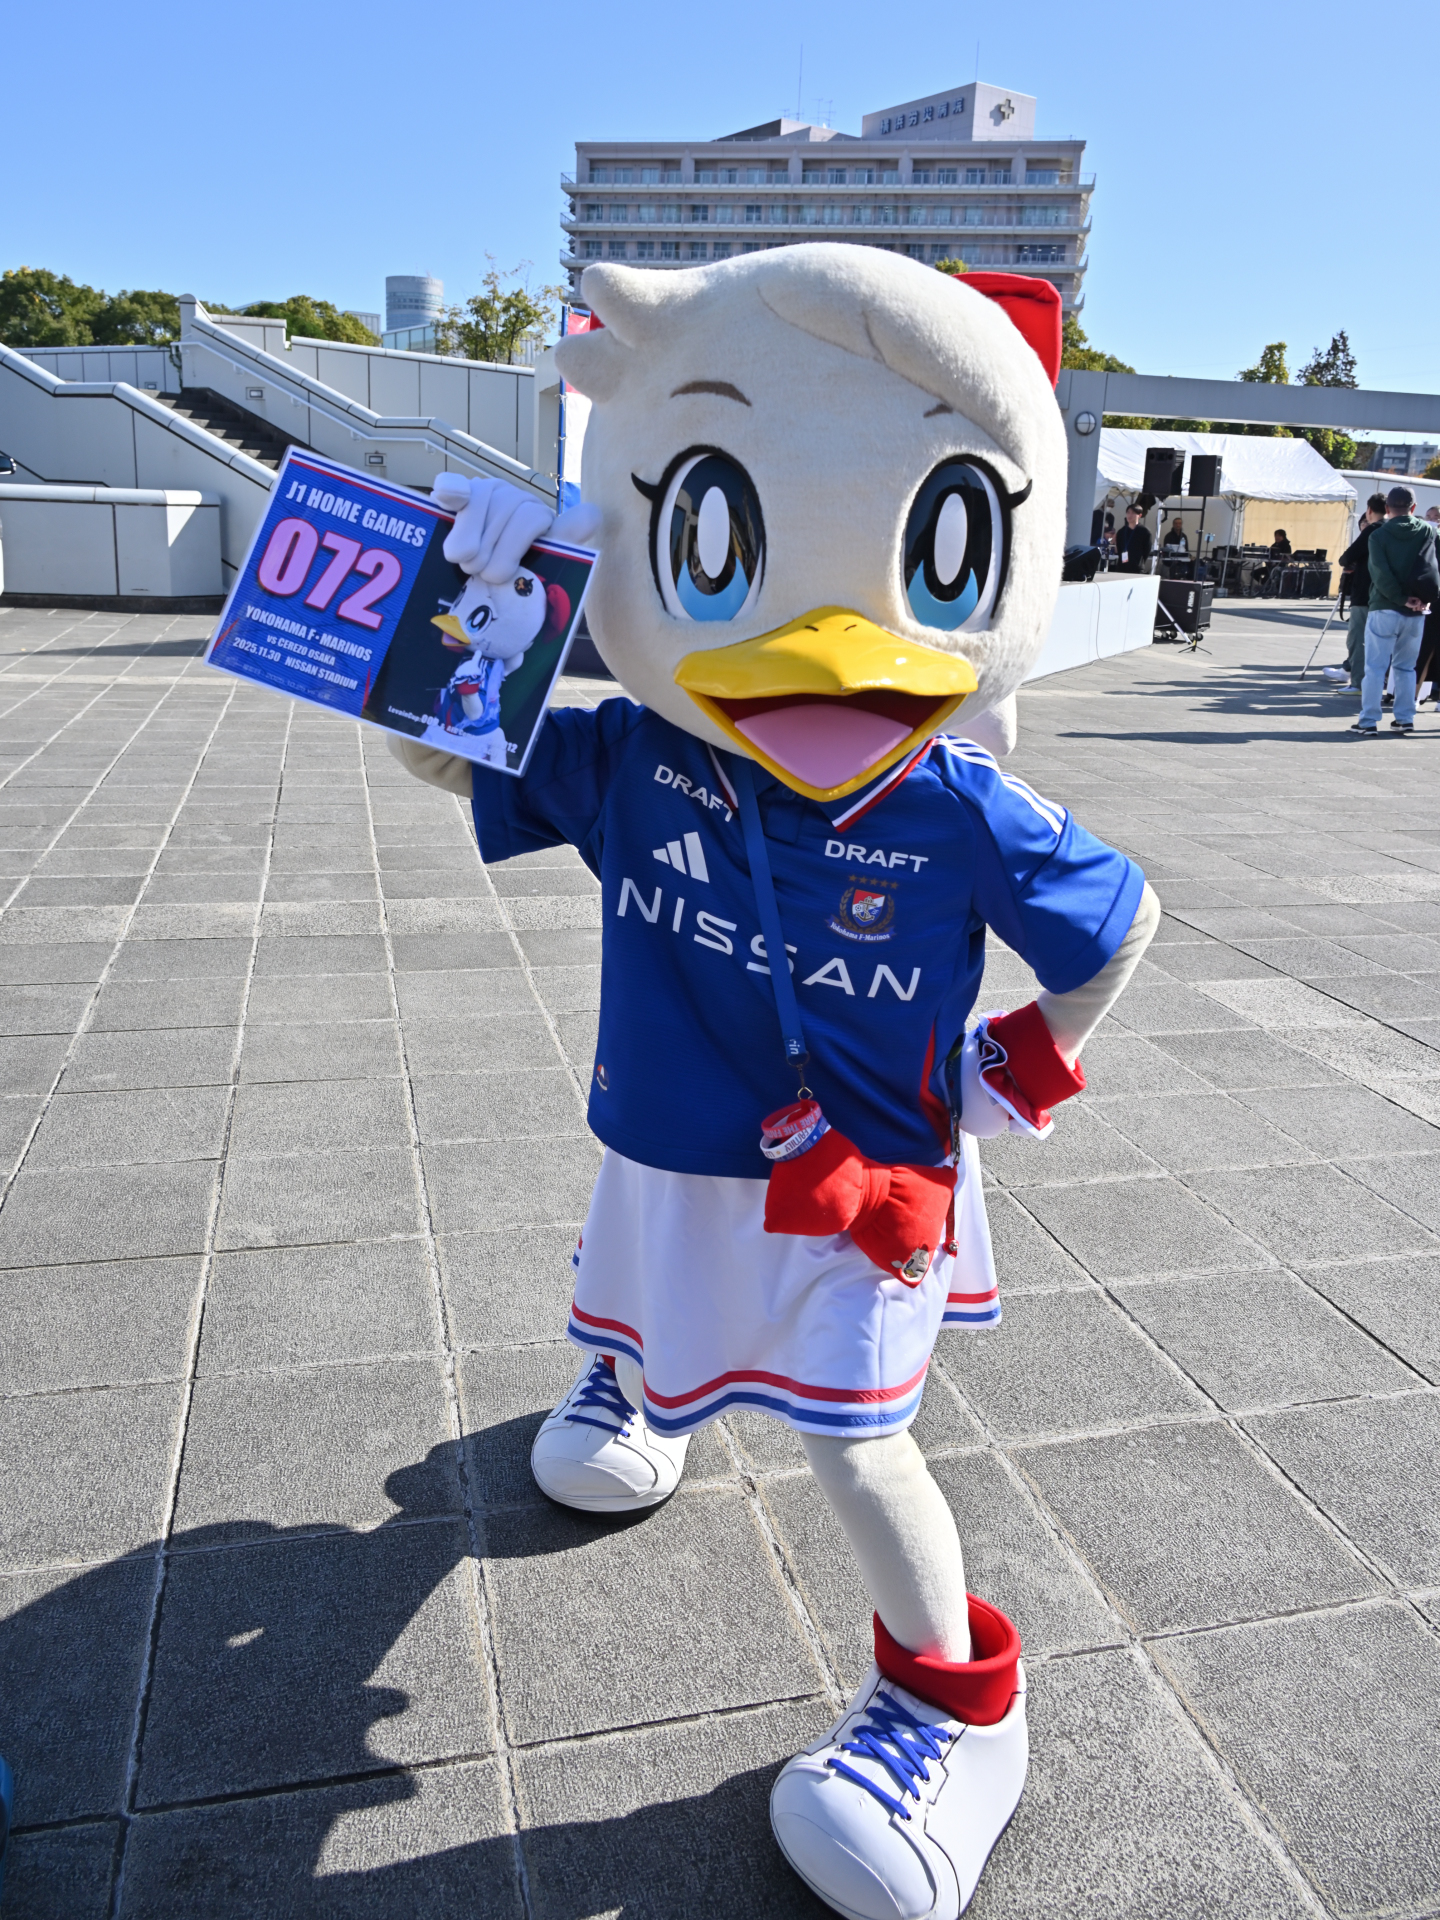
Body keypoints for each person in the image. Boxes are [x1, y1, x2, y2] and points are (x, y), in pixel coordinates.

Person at [1353, 484, 1440, 735]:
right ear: (1413, 507)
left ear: (1387, 507)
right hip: (1418, 608)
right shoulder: (1427, 530)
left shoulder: (1378, 535)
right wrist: (1420, 598)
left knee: (1375, 667)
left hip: (1384, 606)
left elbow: (1380, 575)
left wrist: (1401, 599)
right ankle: (1404, 718)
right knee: (1406, 667)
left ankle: (1368, 720)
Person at [1333, 494, 1388, 692]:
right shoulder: (1394, 529)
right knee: (1384, 642)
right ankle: (1383, 682)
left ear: (1369, 510)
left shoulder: (1373, 529)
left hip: (1365, 592)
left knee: (1358, 640)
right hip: (1390, 595)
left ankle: (1358, 682)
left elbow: (1346, 557)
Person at [1415, 504, 1440, 702]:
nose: (1432, 520)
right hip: (1433, 601)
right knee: (1424, 652)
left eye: (1436, 517)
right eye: (1429, 516)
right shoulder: (1425, 539)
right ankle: (1414, 696)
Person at [1115, 503, 1152, 572]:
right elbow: (1119, 547)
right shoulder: (1121, 531)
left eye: (1133, 513)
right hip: (1122, 566)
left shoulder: (1145, 531)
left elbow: (1147, 550)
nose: (1130, 515)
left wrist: (1140, 561)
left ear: (1139, 515)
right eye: (1128, 512)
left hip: (1137, 566)